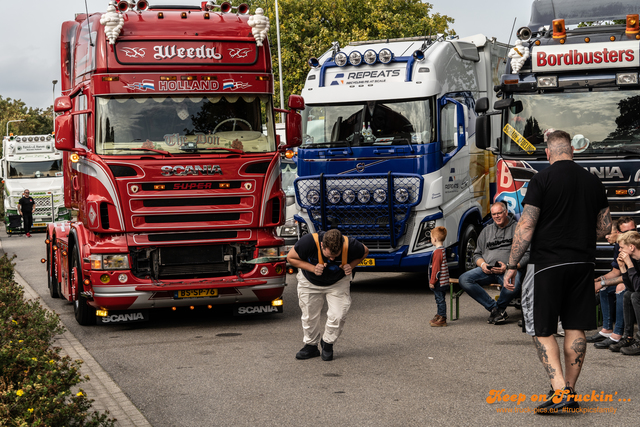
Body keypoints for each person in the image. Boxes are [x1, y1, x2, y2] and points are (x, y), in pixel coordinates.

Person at [504, 130, 611, 414]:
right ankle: (570, 391)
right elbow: (605, 229)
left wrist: (512, 265)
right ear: (573, 151)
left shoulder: (541, 179)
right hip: (583, 263)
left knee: (543, 329)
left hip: (549, 264)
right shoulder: (593, 181)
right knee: (575, 327)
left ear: (548, 153)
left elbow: (526, 226)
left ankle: (559, 390)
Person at [287, 229, 369, 361]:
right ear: (321, 245)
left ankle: (328, 343)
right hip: (310, 282)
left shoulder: (351, 244)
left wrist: (351, 266)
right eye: (329, 255)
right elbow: (290, 258)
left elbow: (365, 251)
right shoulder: (308, 242)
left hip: (338, 282)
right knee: (309, 316)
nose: (332, 259)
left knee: (338, 315)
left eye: (336, 256)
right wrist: (312, 268)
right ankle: (311, 346)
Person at [458, 201, 529, 325]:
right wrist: (483, 265)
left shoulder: (518, 229)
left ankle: (499, 309)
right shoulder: (486, 231)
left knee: (512, 286)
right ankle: (495, 309)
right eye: (493, 214)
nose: (496, 216)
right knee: (464, 279)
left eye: (499, 213)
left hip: (509, 270)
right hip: (488, 270)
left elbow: (528, 254)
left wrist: (509, 266)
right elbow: (477, 254)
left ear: (506, 212)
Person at [589, 217, 635, 349]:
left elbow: (629, 278)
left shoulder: (636, 244)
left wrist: (602, 283)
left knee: (619, 287)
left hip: (635, 282)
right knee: (605, 287)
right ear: (620, 233)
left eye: (633, 230)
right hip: (629, 280)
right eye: (627, 231)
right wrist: (599, 280)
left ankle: (618, 334)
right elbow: (616, 272)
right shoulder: (620, 246)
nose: (631, 233)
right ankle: (606, 330)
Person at [613, 231, 640, 356]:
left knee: (636, 296)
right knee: (628, 294)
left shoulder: (633, 261)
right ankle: (628, 337)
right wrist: (623, 268)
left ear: (631, 247)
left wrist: (629, 264)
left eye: (622, 248)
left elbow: (638, 288)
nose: (620, 251)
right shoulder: (635, 261)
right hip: (636, 291)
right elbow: (631, 287)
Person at [428, 226, 449, 327]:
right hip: (444, 281)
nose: (431, 240)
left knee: (439, 299)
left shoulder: (437, 252)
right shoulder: (442, 250)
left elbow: (436, 269)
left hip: (439, 282)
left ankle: (442, 318)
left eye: (431, 238)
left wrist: (432, 281)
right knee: (440, 298)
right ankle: (439, 315)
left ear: (435, 239)